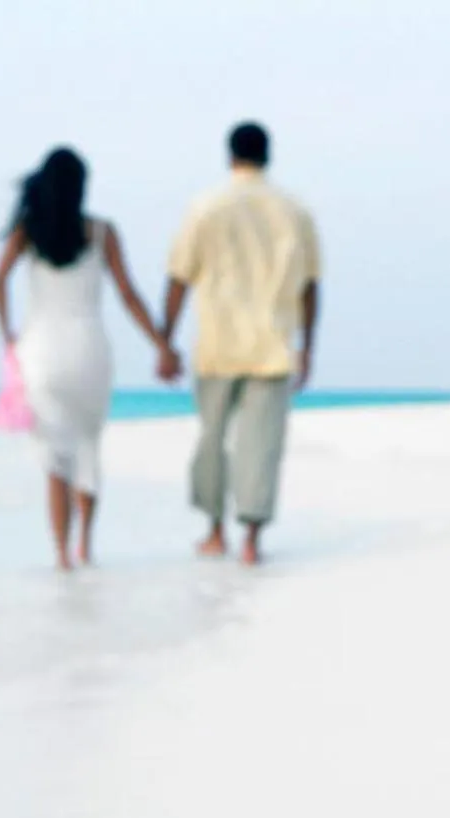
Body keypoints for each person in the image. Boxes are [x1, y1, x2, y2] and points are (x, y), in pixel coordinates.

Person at [0, 147, 180, 570]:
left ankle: (61, 554)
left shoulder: (28, 231)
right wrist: (161, 344)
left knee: (55, 459)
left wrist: (7, 335)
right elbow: (128, 295)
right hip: (89, 351)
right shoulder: (102, 232)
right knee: (87, 449)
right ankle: (85, 546)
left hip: (40, 352)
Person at [160, 122, 322, 565]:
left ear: (230, 155)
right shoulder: (294, 210)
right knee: (262, 445)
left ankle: (214, 532)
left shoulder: (205, 207)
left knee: (212, 439)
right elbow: (310, 285)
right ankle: (251, 540)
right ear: (267, 155)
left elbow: (179, 277)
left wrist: (165, 340)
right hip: (272, 343)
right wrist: (308, 346)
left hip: (218, 341)